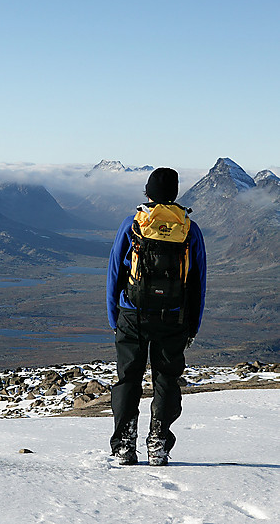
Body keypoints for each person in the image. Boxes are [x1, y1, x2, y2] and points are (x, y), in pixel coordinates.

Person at [106, 167, 206, 466]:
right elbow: (198, 281)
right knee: (166, 380)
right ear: (175, 194)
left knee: (128, 379)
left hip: (131, 314)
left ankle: (125, 444)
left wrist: (115, 319)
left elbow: (114, 273)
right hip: (173, 318)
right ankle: (158, 444)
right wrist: (192, 325)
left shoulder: (133, 223)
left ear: (147, 193)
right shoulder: (189, 228)